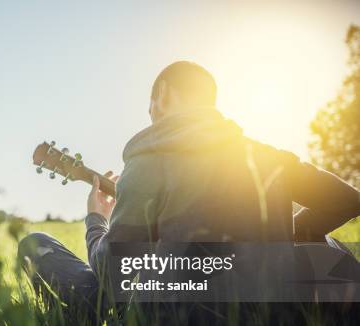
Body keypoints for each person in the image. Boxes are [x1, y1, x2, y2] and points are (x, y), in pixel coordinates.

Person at [18, 61, 360, 308]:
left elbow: (115, 273)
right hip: (274, 322)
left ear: (163, 95)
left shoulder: (149, 157)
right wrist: (279, 240)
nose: (151, 115)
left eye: (151, 106)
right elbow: (347, 201)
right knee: (329, 246)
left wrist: (97, 220)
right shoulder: (266, 155)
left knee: (35, 245)